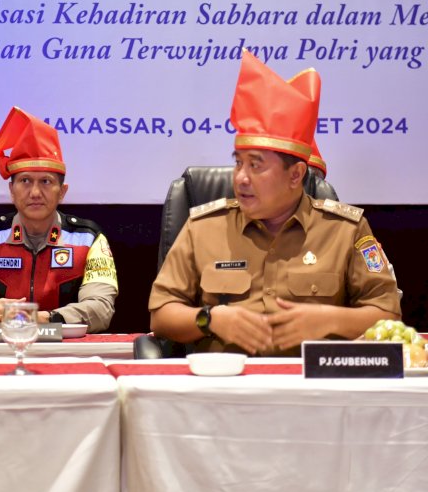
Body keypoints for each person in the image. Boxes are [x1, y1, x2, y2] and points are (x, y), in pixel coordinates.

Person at [149, 51, 401, 356]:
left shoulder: (345, 230)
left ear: (295, 174)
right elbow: (161, 315)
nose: (241, 178)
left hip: (316, 391)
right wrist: (210, 319)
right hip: (225, 389)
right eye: (238, 163)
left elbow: (388, 314)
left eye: (256, 165)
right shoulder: (204, 227)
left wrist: (329, 320)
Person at [0, 106, 118, 333]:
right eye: (25, 181)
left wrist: (31, 317)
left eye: (45, 181)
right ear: (11, 190)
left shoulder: (89, 239)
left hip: (67, 353)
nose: (35, 192)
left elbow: (101, 310)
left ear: (62, 191)